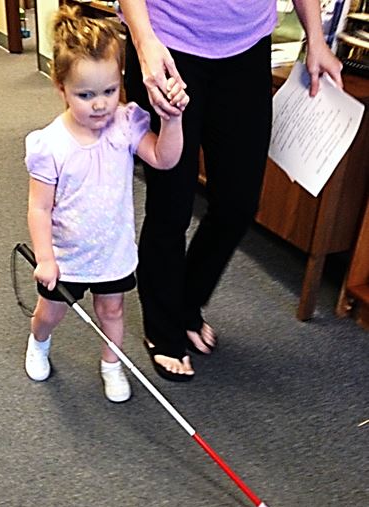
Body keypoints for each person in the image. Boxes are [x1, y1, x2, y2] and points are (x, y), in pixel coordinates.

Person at [118, 0, 343, 379]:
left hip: (247, 48)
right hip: (168, 40)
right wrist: (144, 42)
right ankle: (163, 328)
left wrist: (316, 39)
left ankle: (186, 303)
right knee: (171, 202)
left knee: (239, 202)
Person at [23, 5, 190, 402]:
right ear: (60, 87)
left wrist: (172, 120)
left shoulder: (126, 124)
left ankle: (111, 364)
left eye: (109, 91)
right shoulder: (50, 146)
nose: (100, 104)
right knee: (51, 313)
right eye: (85, 94)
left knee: (112, 313)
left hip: (112, 251)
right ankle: (39, 342)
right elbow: (39, 208)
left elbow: (165, 159)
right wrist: (46, 258)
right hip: (67, 257)